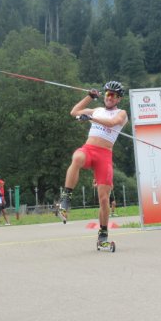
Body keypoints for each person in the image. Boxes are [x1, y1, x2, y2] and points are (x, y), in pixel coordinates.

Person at [59, 81, 128, 244]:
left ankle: (103, 233)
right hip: (89, 149)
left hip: (104, 155)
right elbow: (74, 111)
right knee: (77, 158)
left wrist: (90, 117)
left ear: (118, 99)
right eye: (107, 94)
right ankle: (66, 196)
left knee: (104, 199)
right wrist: (89, 97)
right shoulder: (97, 110)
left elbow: (112, 123)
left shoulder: (121, 113)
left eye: (113, 96)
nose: (110, 98)